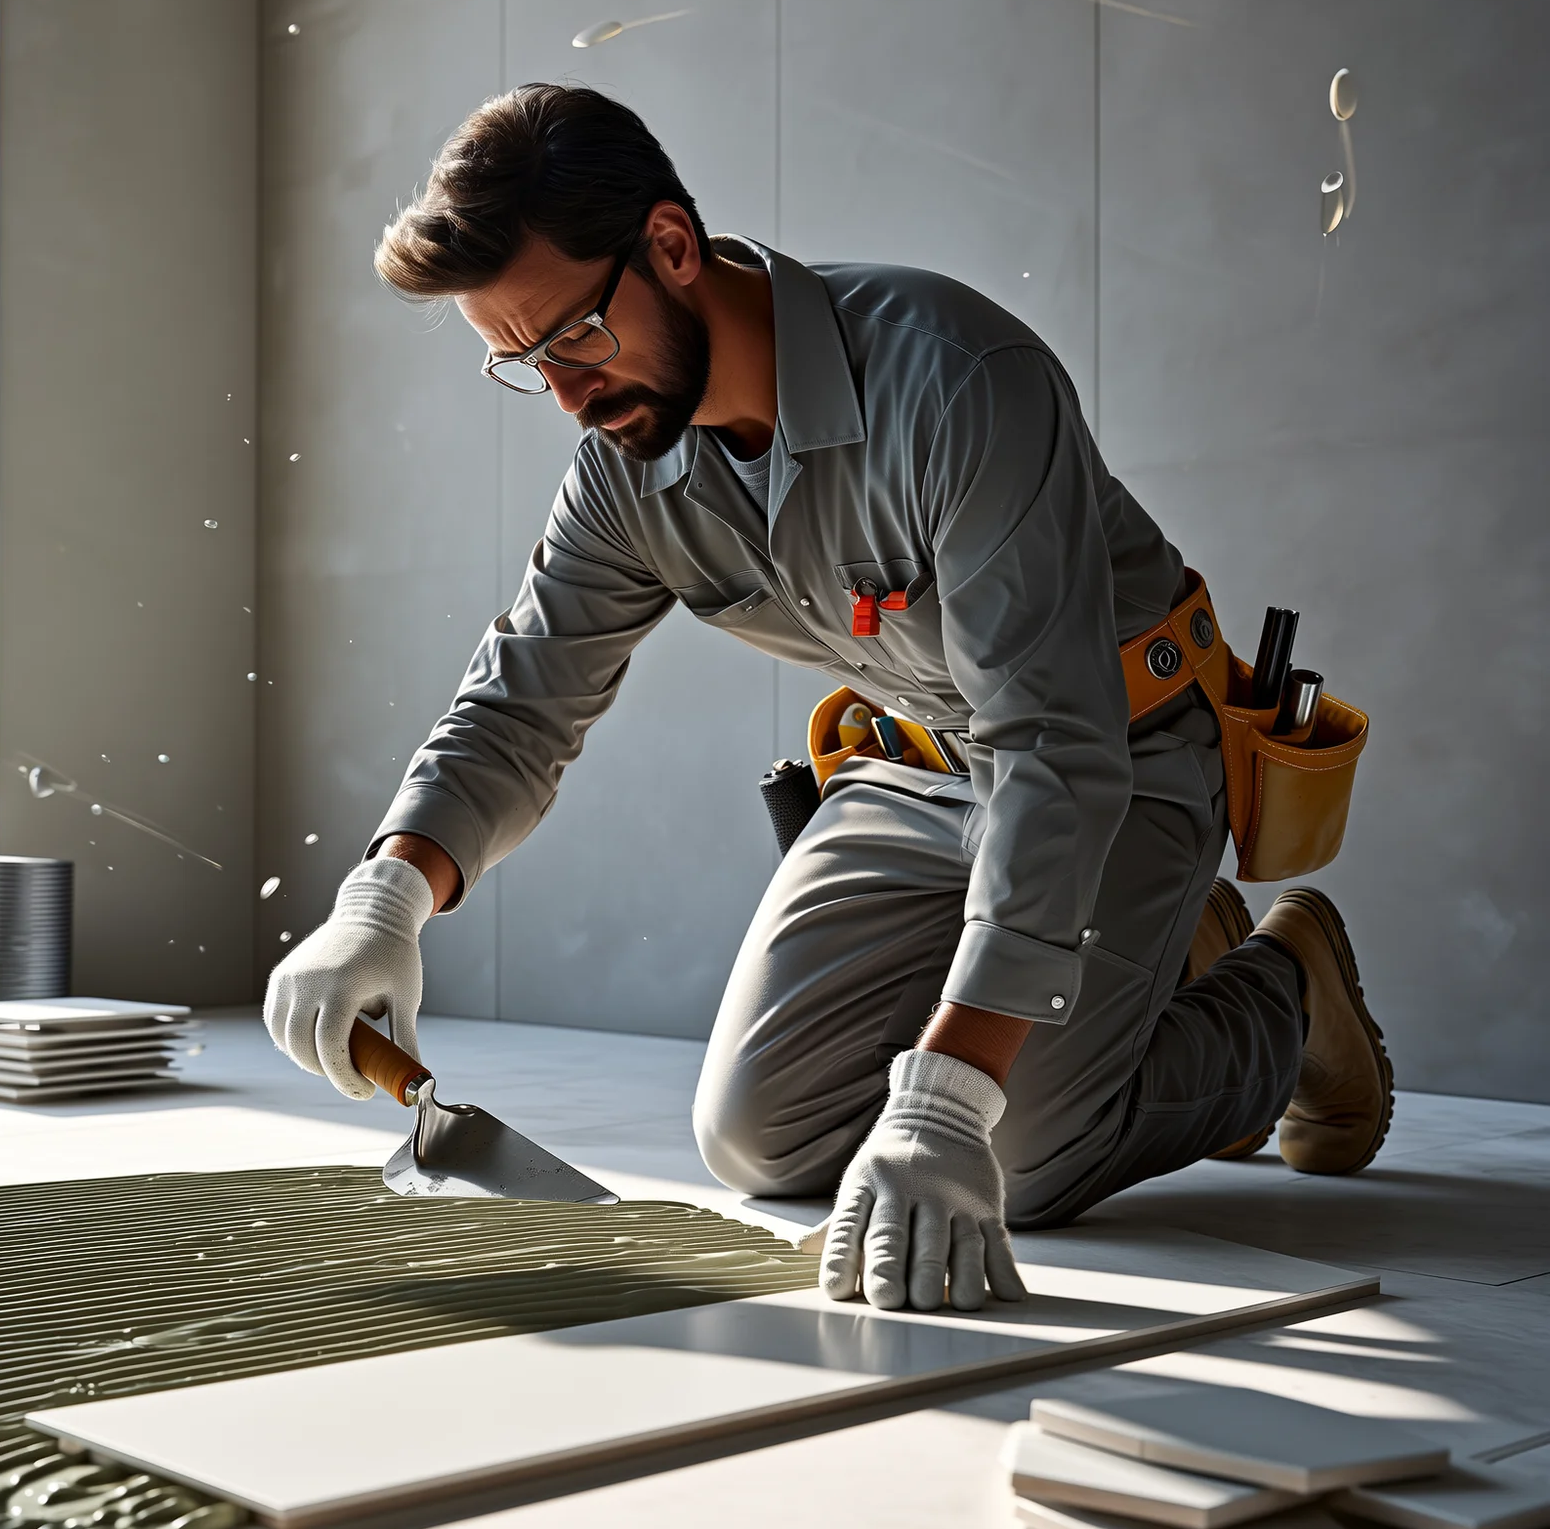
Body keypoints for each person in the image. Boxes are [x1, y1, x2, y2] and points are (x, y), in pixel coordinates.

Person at [263, 84, 1392, 1314]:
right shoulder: (626, 465)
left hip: (1111, 754)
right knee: (756, 1136)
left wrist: (950, 1094)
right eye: (518, 362)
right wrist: (383, 897)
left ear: (671, 248)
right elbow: (522, 698)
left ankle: (1282, 984)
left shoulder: (957, 382)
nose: (567, 396)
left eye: (575, 336)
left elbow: (1052, 746)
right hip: (916, 766)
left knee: (1020, 1150)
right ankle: (1144, 960)